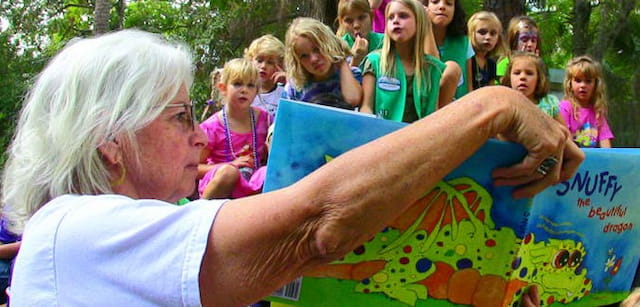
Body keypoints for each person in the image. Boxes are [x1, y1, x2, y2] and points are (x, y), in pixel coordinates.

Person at [1, 29, 583, 306]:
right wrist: (490, 106)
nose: (200, 143)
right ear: (110, 141)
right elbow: (318, 223)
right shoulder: (66, 231)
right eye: (182, 117)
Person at [359, 0, 450, 122]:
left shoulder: (432, 68)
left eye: (403, 16)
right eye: (390, 18)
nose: (395, 21)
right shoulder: (374, 61)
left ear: (419, 23)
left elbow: (432, 113)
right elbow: (366, 107)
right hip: (381, 135)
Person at [198, 58, 272, 199]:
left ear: (257, 91)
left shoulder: (265, 120)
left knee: (269, 171)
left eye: (250, 85)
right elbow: (194, 168)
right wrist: (230, 165)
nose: (244, 90)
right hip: (221, 183)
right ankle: (202, 213)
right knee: (229, 172)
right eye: (237, 84)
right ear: (223, 88)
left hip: (251, 181)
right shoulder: (212, 127)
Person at [283, 17, 363, 110]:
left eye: (317, 49)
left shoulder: (350, 75)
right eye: (304, 56)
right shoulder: (296, 88)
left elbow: (353, 100)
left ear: (329, 44)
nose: (313, 59)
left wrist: (341, 60)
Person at [559, 55, 614, 148]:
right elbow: (564, 140)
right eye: (578, 80)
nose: (583, 85)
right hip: (570, 159)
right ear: (570, 83)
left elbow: (605, 144)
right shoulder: (565, 108)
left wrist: (608, 160)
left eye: (588, 81)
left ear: (595, 84)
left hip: (592, 160)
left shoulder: (597, 112)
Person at [426, 0, 474, 99]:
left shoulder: (464, 43)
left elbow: (469, 86)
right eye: (435, 2)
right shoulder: (413, 41)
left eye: (448, 3)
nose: (442, 7)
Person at [501, 52, 565, 125]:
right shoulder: (505, 103)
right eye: (517, 73)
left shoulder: (549, 103)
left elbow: (564, 133)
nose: (522, 77)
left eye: (529, 73)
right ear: (509, 77)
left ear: (539, 78)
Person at [244, 34, 287, 119]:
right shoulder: (243, 90)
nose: (263, 66)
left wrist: (289, 83)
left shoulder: (285, 92)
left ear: (279, 66)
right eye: (259, 61)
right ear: (250, 60)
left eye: (270, 62)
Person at [337, 0, 385, 67]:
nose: (356, 25)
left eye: (361, 18)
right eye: (349, 20)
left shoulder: (384, 42)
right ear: (341, 22)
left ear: (371, 16)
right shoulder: (338, 47)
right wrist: (355, 61)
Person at [467, 11, 505, 90]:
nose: (488, 37)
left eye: (493, 33)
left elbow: (491, 91)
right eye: (482, 32)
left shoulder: (491, 64)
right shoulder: (466, 59)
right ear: (471, 33)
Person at [496, 15, 540, 83]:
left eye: (533, 40)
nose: (530, 44)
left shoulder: (538, 65)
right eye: (525, 39)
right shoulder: (505, 64)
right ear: (513, 41)